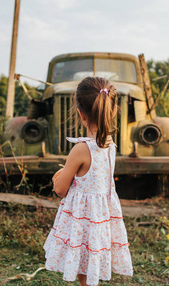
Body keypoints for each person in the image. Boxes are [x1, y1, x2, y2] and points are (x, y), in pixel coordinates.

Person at [43, 77, 133, 286]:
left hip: (81, 222)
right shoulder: (111, 146)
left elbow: (60, 189)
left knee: (80, 264)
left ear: (81, 114)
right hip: (99, 220)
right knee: (88, 266)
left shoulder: (81, 149)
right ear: (111, 111)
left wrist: (60, 175)